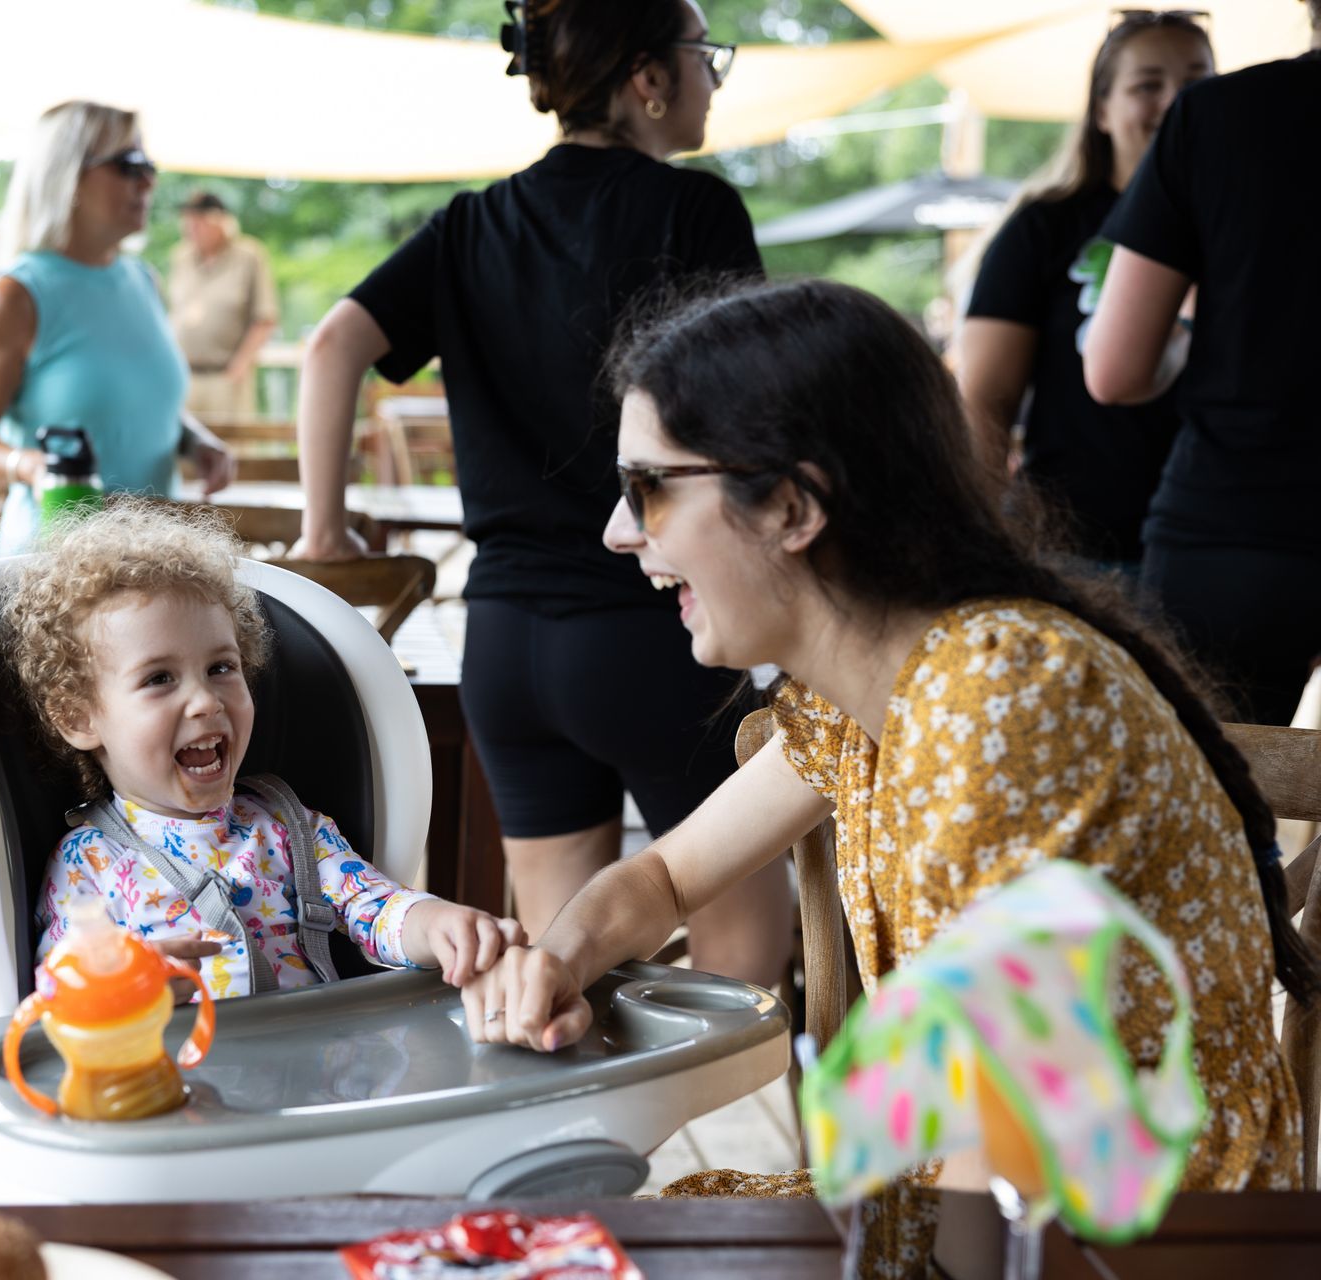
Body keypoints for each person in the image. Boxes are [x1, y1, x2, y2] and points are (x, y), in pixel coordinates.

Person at [464, 281, 1310, 1254]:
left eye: (646, 486)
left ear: (791, 504)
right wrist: (559, 960)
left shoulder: (999, 700)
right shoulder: (875, 688)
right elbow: (660, 875)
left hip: (1137, 1238)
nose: (620, 533)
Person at [290, 0, 789, 981]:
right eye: (703, 55)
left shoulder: (473, 223)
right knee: (747, 977)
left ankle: (598, 1140)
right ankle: (737, 1142)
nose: (712, 77)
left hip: (510, 645)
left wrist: (322, 524)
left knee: (564, 976)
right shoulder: (696, 210)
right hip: (658, 633)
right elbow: (751, 402)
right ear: (648, 77)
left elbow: (330, 344)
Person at [0, 500, 524, 1000]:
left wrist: (444, 927)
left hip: (311, 1070)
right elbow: (59, 994)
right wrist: (123, 987)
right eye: (160, 678)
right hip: (179, 1079)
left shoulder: (290, 831)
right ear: (79, 717)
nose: (205, 700)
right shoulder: (86, 864)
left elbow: (380, 910)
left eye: (221, 668)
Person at [1083, 1, 1321, 727]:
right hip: (1237, 530)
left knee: (1214, 824)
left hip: (1238, 527)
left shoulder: (1221, 115)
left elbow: (1114, 370)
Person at [960, 11, 1211, 573]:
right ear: (1101, 110)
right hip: (1072, 544)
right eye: (1148, 85)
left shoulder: (1246, 228)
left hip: (1215, 544)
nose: (1175, 101)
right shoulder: (1044, 226)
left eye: (1198, 83)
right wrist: (975, 537)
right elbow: (985, 396)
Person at [0, 102, 234, 556]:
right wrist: (27, 466)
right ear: (67, 175)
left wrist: (196, 440)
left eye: (149, 165)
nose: (148, 180)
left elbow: (133, 400)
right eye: (129, 164)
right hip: (54, 568)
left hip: (158, 562)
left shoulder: (143, 281)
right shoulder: (14, 295)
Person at [168, 191, 279, 423]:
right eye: (188, 221)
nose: (191, 228)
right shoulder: (180, 256)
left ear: (221, 222)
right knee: (184, 452)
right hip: (184, 374)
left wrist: (238, 368)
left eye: (199, 221)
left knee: (231, 448)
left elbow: (265, 317)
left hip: (225, 378)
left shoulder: (249, 255)